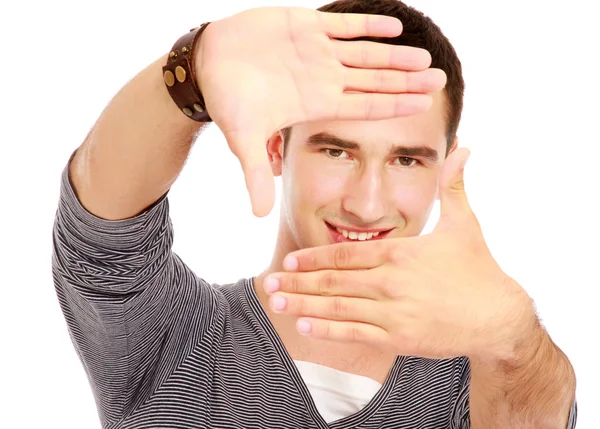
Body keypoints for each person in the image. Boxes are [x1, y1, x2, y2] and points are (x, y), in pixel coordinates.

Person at [51, 0, 577, 428]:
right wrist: (195, 70)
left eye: (406, 160)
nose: (367, 204)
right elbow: (101, 235)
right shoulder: (173, 338)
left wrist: (511, 331)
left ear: (444, 166)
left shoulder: (478, 377)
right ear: (277, 147)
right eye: (336, 151)